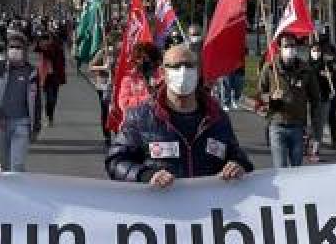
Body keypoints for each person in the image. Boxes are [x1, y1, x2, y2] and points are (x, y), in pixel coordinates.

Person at [106, 44, 251, 185]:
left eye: (189, 66)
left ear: (198, 71)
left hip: (207, 206)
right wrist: (145, 175)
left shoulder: (217, 118)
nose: (183, 71)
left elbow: (238, 156)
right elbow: (116, 161)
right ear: (163, 72)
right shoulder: (140, 117)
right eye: (175, 66)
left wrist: (239, 164)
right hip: (162, 207)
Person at [258, 35, 321, 168]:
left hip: (298, 127)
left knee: (296, 171)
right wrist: (270, 98)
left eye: (293, 45)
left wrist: (313, 126)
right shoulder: (270, 68)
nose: (290, 49)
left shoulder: (306, 70)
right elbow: (260, 94)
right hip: (277, 125)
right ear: (279, 48)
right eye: (286, 46)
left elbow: (315, 99)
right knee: (281, 168)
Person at [0, 31, 42, 172]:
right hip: (0, 124)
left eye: (18, 47)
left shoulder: (32, 71)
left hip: (22, 123)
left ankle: (20, 192)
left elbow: (37, 101)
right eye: (11, 47)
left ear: (25, 50)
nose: (14, 50)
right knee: (3, 166)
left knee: (17, 165)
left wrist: (36, 126)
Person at [117, 41, 162, 115]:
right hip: (134, 123)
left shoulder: (162, 78)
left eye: (146, 58)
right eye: (138, 58)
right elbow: (124, 104)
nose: (141, 61)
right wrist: (147, 99)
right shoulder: (129, 79)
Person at [33, 32, 67, 126]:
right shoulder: (44, 48)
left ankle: (51, 115)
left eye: (49, 39)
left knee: (54, 99)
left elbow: (61, 63)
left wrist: (62, 76)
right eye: (46, 39)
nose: (47, 41)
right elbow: (36, 49)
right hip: (46, 77)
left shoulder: (58, 50)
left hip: (55, 77)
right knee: (49, 99)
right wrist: (39, 40)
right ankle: (49, 116)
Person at [88, 43, 116, 147]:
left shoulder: (121, 52)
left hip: (116, 85)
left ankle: (118, 134)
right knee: (105, 111)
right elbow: (91, 67)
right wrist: (103, 67)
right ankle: (107, 136)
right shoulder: (102, 52)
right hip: (103, 86)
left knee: (115, 111)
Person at [318, 42, 336, 148]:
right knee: (318, 119)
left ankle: (334, 140)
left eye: (332, 54)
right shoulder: (318, 64)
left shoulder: (335, 65)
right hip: (320, 95)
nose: (330, 56)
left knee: (332, 118)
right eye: (327, 53)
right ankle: (315, 140)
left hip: (332, 95)